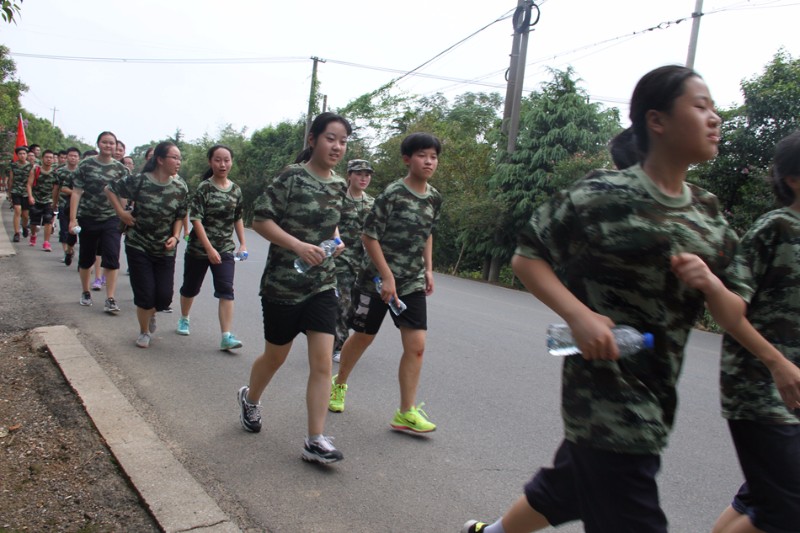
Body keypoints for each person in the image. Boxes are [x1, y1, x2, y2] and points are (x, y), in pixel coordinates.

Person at [460, 65, 798, 533]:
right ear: (656, 120)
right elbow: (528, 255)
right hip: (604, 399)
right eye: (700, 106)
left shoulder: (709, 214)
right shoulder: (602, 194)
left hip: (658, 395)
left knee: (568, 487)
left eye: (713, 107)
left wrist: (712, 286)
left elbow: (733, 311)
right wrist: (578, 316)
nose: (715, 118)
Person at [237, 112, 351, 465]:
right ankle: (250, 398)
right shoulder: (291, 176)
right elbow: (260, 219)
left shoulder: (339, 184)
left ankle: (315, 439)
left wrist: (336, 240)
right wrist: (299, 246)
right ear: (313, 139)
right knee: (276, 356)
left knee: (321, 364)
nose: (337, 146)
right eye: (330, 138)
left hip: (321, 282)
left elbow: (330, 224)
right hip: (283, 284)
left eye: (343, 141)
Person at [711, 131, 800, 533]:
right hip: (760, 389)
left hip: (794, 394)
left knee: (765, 498)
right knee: (786, 511)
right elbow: (730, 311)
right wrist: (777, 363)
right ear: (794, 179)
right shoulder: (776, 229)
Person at [328, 133, 442, 435]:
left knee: (416, 347)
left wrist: (428, 270)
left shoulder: (434, 197)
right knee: (364, 336)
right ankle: (338, 383)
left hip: (412, 280)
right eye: (422, 155)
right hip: (375, 279)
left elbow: (427, 233)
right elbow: (370, 235)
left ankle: (405, 412)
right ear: (407, 159)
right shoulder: (393, 194)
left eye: (433, 156)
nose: (428, 161)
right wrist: (387, 276)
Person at [106, 141, 188, 349]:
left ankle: (152, 312)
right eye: (174, 158)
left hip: (165, 248)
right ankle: (144, 331)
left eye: (180, 158)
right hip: (138, 243)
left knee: (163, 297)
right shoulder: (139, 181)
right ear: (160, 160)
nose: (178, 162)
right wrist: (121, 213)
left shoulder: (180, 186)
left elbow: (180, 215)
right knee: (145, 293)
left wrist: (176, 236)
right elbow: (110, 189)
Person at [176, 144, 246, 351]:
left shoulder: (236, 190)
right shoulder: (204, 188)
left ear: (231, 162)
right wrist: (208, 249)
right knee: (190, 288)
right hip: (199, 248)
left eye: (226, 160)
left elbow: (238, 217)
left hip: (224, 248)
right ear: (210, 162)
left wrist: (242, 242)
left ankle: (226, 336)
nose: (222, 164)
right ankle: (184, 318)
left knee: (226, 290)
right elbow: (196, 219)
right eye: (218, 160)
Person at [69, 131, 128, 313]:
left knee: (112, 257)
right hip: (88, 217)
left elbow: (123, 195)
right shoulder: (86, 165)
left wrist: (124, 216)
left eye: (112, 143)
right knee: (86, 258)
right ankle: (86, 291)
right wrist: (73, 219)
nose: (108, 146)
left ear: (116, 146)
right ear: (98, 144)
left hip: (111, 218)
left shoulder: (120, 169)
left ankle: (110, 297)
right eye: (105, 142)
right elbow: (76, 192)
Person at [332, 159, 375, 363]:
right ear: (349, 175)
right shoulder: (338, 199)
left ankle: (333, 335)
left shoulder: (372, 203)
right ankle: (339, 346)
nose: (363, 178)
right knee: (344, 302)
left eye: (367, 174)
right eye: (359, 174)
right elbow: (329, 223)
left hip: (365, 263)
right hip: (342, 259)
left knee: (358, 307)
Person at [26, 149, 58, 251]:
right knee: (34, 222)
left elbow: (56, 188)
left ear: (53, 160)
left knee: (48, 221)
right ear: (42, 158)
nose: (49, 159)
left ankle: (46, 242)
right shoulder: (36, 170)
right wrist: (30, 196)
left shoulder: (55, 172)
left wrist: (55, 201)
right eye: (47, 157)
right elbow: (29, 184)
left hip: (48, 199)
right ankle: (33, 234)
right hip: (36, 198)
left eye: (51, 158)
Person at [54, 147, 80, 265]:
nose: (73, 158)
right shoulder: (60, 171)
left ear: (79, 158)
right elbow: (59, 189)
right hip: (65, 205)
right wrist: (54, 203)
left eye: (75, 156)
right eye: (71, 155)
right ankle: (67, 252)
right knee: (66, 230)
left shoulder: (82, 172)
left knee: (81, 232)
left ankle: (84, 261)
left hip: (82, 207)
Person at [7, 145, 32, 242]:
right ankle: (16, 233)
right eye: (20, 154)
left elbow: (31, 181)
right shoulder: (13, 165)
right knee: (17, 210)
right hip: (16, 191)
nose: (22, 155)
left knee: (25, 214)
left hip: (26, 192)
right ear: (17, 155)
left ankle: (25, 227)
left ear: (27, 155)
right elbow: (11, 179)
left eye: (24, 153)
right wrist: (9, 192)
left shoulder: (30, 166)